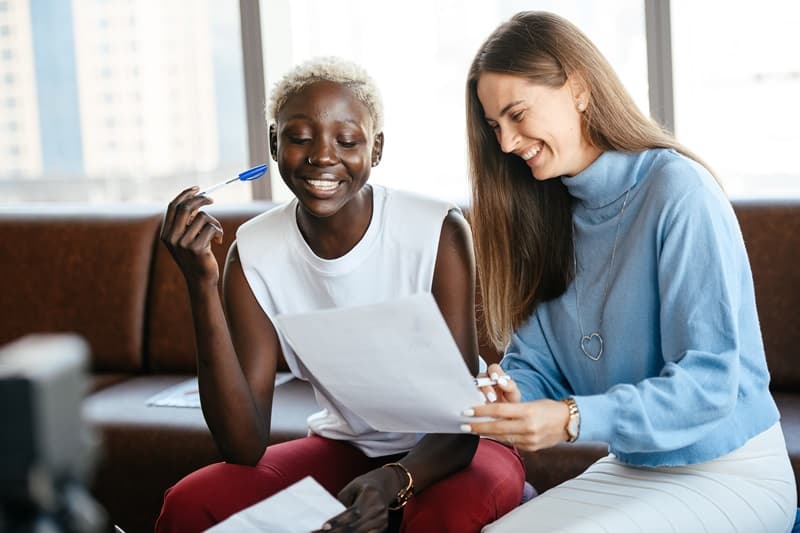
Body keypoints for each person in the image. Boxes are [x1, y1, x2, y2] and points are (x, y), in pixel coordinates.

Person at [155, 56, 525, 533]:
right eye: (300, 138)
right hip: (349, 448)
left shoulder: (438, 230)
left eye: (347, 141)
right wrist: (200, 284)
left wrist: (394, 481)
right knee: (192, 503)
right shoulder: (252, 253)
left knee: (439, 519)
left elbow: (459, 424)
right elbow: (242, 446)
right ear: (274, 142)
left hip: (461, 447)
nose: (322, 157)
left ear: (375, 149)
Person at [460, 11, 797, 533]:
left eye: (518, 114)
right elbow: (537, 369)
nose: (506, 143)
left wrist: (572, 418)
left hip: (733, 469)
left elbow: (709, 384)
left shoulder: (678, 192)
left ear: (577, 88)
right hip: (634, 467)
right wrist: (510, 396)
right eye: (494, 126)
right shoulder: (541, 214)